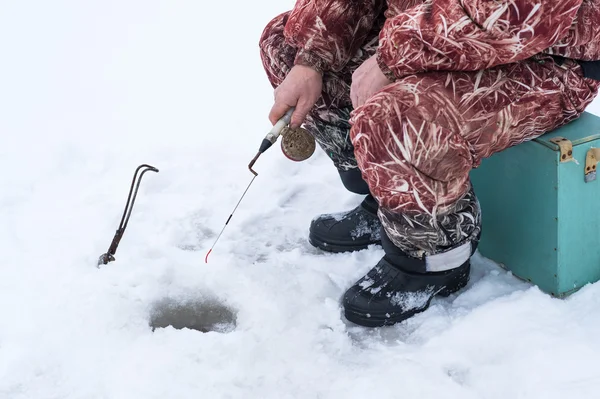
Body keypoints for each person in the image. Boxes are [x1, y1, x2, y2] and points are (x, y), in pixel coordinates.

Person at [258, 0, 600, 327]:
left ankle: (435, 259)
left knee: (400, 116)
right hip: (429, 30)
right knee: (285, 47)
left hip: (543, 56)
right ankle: (387, 201)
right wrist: (311, 59)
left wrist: (391, 59)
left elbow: (511, 16)